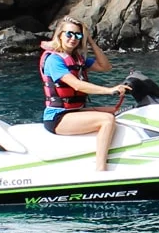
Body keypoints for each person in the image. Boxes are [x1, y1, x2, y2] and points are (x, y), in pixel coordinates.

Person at [40, 19, 130, 172]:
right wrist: (109, 90)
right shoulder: (54, 60)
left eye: (78, 35)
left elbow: (105, 66)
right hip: (57, 118)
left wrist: (91, 42)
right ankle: (101, 170)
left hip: (74, 111)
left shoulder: (77, 59)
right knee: (107, 120)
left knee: (119, 111)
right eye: (69, 34)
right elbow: (77, 85)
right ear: (60, 35)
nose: (73, 38)